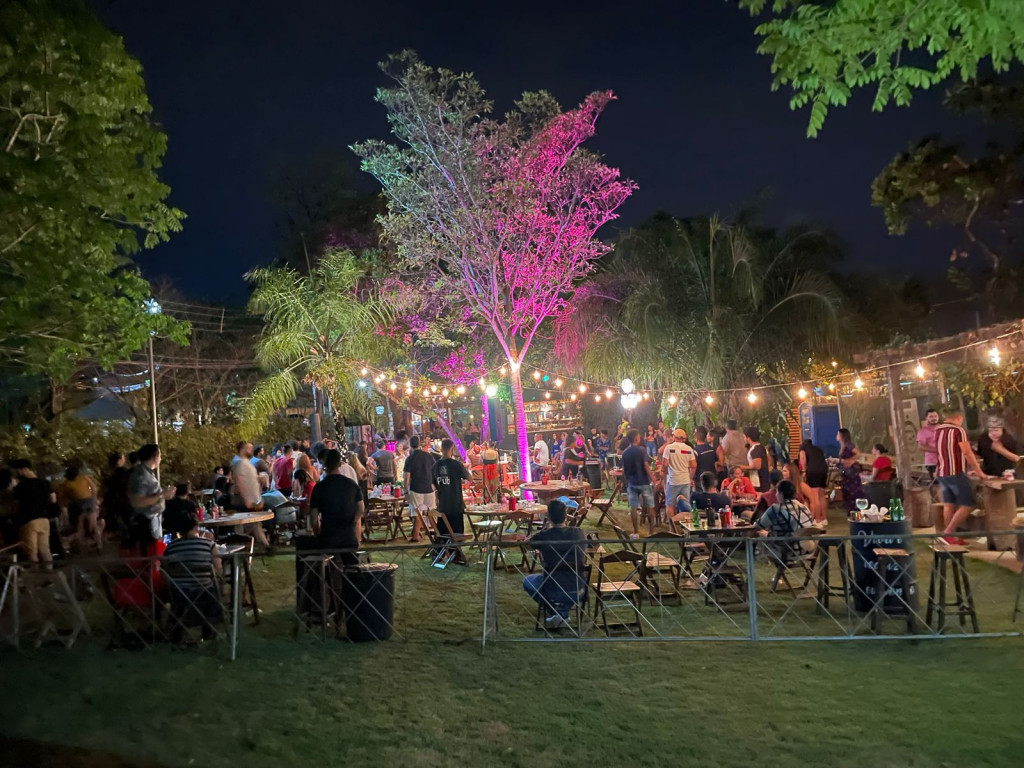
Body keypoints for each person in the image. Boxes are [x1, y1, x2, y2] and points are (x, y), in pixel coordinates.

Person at [522, 499, 588, 628]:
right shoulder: (578, 533)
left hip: (552, 588)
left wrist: (545, 530)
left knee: (528, 581)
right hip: (579, 588)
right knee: (544, 582)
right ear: (565, 515)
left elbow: (526, 545)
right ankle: (561, 612)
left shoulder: (545, 536)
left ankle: (558, 612)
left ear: (548, 516)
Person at [161, 507, 222, 642]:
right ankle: (209, 630)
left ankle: (177, 631)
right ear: (196, 526)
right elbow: (218, 571)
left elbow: (164, 572)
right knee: (216, 587)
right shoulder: (209, 545)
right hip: (205, 592)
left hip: (179, 594)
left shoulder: (170, 548)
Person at [935, 406, 988, 545]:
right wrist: (979, 472)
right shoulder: (958, 430)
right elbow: (966, 452)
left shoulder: (938, 430)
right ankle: (948, 532)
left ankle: (949, 537)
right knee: (967, 503)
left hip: (942, 472)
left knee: (949, 504)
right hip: (955, 472)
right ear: (958, 417)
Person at [309, 449, 364, 565]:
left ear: (324, 465)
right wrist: (353, 520)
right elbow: (361, 508)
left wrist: (316, 532)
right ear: (339, 464)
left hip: (328, 536)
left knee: (329, 569)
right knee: (351, 571)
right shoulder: (351, 485)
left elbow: (313, 516)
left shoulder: (319, 487)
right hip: (348, 535)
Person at [127, 444, 175, 550]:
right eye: (160, 455)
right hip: (145, 526)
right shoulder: (141, 475)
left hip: (153, 523)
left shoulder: (147, 473)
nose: (161, 459)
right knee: (151, 559)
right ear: (155, 456)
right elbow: (137, 502)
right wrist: (162, 495)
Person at [755, 479, 817, 558]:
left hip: (787, 551)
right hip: (807, 550)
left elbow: (757, 526)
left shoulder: (776, 508)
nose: (776, 495)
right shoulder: (804, 508)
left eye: (777, 492)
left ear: (781, 493)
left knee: (762, 533)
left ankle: (758, 558)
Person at [10, 459, 56, 567]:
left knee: (32, 553)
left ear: (23, 470)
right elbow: (53, 499)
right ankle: (50, 573)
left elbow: (15, 505)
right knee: (45, 549)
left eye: (17, 471)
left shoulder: (20, 487)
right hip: (44, 520)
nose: (16, 474)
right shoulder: (45, 483)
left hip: (29, 521)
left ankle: (36, 577)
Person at [230, 442, 270, 548]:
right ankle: (263, 546)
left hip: (253, 499)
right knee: (250, 524)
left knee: (254, 525)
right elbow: (241, 482)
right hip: (246, 500)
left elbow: (251, 482)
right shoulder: (239, 463)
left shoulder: (246, 463)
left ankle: (264, 545)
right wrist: (247, 500)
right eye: (249, 448)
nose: (251, 450)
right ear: (242, 449)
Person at [58, 462, 104, 551]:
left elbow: (63, 497)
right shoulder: (84, 478)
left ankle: (82, 545)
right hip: (88, 503)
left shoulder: (66, 484)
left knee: (80, 526)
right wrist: (94, 500)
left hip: (78, 505)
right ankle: (99, 544)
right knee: (92, 525)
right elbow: (94, 488)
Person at [432, 438, 471, 537]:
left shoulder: (435, 466)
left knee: (443, 535)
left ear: (441, 449)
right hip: (455, 506)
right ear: (451, 449)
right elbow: (470, 478)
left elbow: (433, 486)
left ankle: (445, 552)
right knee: (457, 535)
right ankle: (455, 553)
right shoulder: (456, 464)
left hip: (442, 506)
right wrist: (466, 469)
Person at [622, 428, 657, 536]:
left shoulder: (625, 452)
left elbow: (624, 470)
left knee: (633, 507)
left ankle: (636, 532)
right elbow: (646, 465)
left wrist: (626, 481)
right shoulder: (642, 450)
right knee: (650, 506)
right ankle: (651, 533)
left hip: (632, 482)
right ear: (637, 438)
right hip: (644, 482)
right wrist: (653, 479)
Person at [405, 435, 437, 542]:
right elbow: (434, 470)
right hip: (429, 487)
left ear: (410, 445)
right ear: (419, 443)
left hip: (416, 488)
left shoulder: (410, 458)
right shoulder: (428, 456)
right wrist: (434, 484)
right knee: (431, 512)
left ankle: (415, 535)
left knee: (417, 513)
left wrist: (405, 491)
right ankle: (437, 532)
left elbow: (407, 476)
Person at [661, 428, 696, 519]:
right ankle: (684, 528)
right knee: (684, 504)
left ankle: (672, 528)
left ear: (674, 437)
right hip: (685, 481)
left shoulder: (669, 448)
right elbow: (694, 466)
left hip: (673, 480)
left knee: (670, 504)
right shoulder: (688, 449)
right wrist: (690, 478)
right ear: (684, 438)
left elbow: (665, 464)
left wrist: (663, 473)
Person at [798, 439, 829, 524]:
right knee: (822, 495)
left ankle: (817, 519)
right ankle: (824, 518)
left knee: (814, 496)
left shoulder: (803, 448)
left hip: (813, 471)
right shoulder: (818, 449)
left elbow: (803, 458)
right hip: (823, 470)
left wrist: (804, 470)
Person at [836, 429, 863, 514]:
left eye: (838, 434)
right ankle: (851, 511)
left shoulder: (848, 445)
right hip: (846, 473)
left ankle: (856, 511)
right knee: (847, 492)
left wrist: (850, 460)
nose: (836, 436)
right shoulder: (843, 446)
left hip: (851, 474)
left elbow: (858, 453)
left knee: (853, 493)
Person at [742, 427, 770, 494]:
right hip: (764, 479)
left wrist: (742, 467)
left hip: (758, 480)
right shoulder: (762, 447)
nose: (744, 439)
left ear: (748, 438)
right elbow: (769, 461)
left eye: (744, 437)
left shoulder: (755, 450)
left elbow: (757, 466)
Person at [917, 408, 940, 479]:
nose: (934, 418)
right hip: (932, 462)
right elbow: (921, 446)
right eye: (931, 417)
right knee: (937, 484)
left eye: (935, 416)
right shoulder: (923, 431)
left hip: (946, 461)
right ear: (926, 418)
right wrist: (938, 450)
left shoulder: (943, 428)